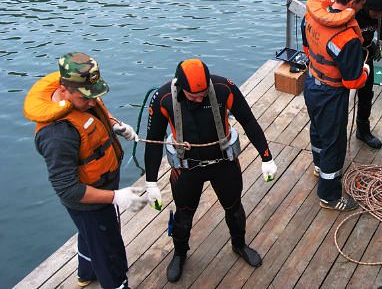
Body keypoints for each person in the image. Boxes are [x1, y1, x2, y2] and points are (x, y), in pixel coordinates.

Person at [144, 58, 277, 282]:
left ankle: (239, 244)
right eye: (193, 96)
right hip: (187, 168)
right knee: (184, 215)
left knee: (234, 208)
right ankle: (179, 253)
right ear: (180, 87)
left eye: (203, 93)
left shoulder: (224, 88)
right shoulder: (163, 98)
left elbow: (249, 121)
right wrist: (151, 182)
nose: (199, 98)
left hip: (223, 162)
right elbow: (153, 142)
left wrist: (266, 157)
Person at [23, 52, 145, 289]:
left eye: (95, 95)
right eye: (85, 98)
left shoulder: (84, 95)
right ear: (64, 89)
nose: (92, 101)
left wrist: (115, 125)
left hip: (100, 190)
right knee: (110, 253)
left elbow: (93, 110)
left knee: (89, 236)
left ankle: (86, 273)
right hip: (89, 202)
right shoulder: (58, 135)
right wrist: (116, 197)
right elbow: (67, 189)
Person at [302, 0, 371, 212]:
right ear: (352, 4)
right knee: (334, 141)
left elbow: (306, 46)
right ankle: (329, 196)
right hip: (331, 93)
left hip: (311, 82)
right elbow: (352, 81)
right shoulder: (347, 38)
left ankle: (319, 166)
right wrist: (365, 70)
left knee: (317, 128)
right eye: (361, 4)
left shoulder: (311, 15)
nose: (362, 8)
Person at [354, 0, 382, 149]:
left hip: (366, 53)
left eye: (380, 12)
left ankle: (363, 130)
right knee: (340, 93)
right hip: (348, 54)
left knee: (366, 93)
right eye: (375, 12)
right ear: (365, 6)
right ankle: (335, 129)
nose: (378, 15)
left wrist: (380, 41)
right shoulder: (354, 12)